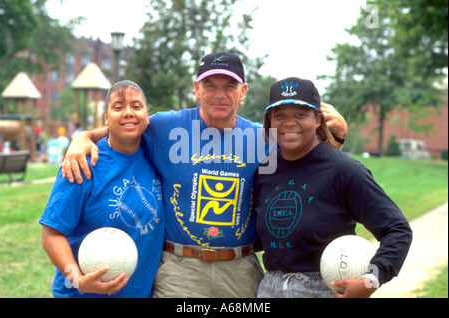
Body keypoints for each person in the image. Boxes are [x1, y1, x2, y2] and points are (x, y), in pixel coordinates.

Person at [61, 52, 348, 298]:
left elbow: (313, 167)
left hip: (240, 269)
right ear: (196, 88)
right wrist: (84, 137)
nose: (220, 94)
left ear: (243, 91)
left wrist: (338, 140)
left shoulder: (264, 138)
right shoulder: (165, 128)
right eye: (210, 85)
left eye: (229, 85)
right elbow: (126, 126)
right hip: (180, 269)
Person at [253, 77, 413, 298]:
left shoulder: (344, 170)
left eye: (300, 114)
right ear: (269, 120)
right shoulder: (266, 170)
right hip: (270, 288)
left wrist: (371, 280)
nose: (289, 123)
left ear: (318, 119)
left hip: (327, 289)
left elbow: (397, 229)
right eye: (280, 115)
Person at [39, 81, 164, 298]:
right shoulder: (83, 164)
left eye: (136, 106)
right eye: (118, 107)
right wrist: (78, 280)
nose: (128, 113)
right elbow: (52, 234)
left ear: (147, 115)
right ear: (106, 117)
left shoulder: (158, 156)